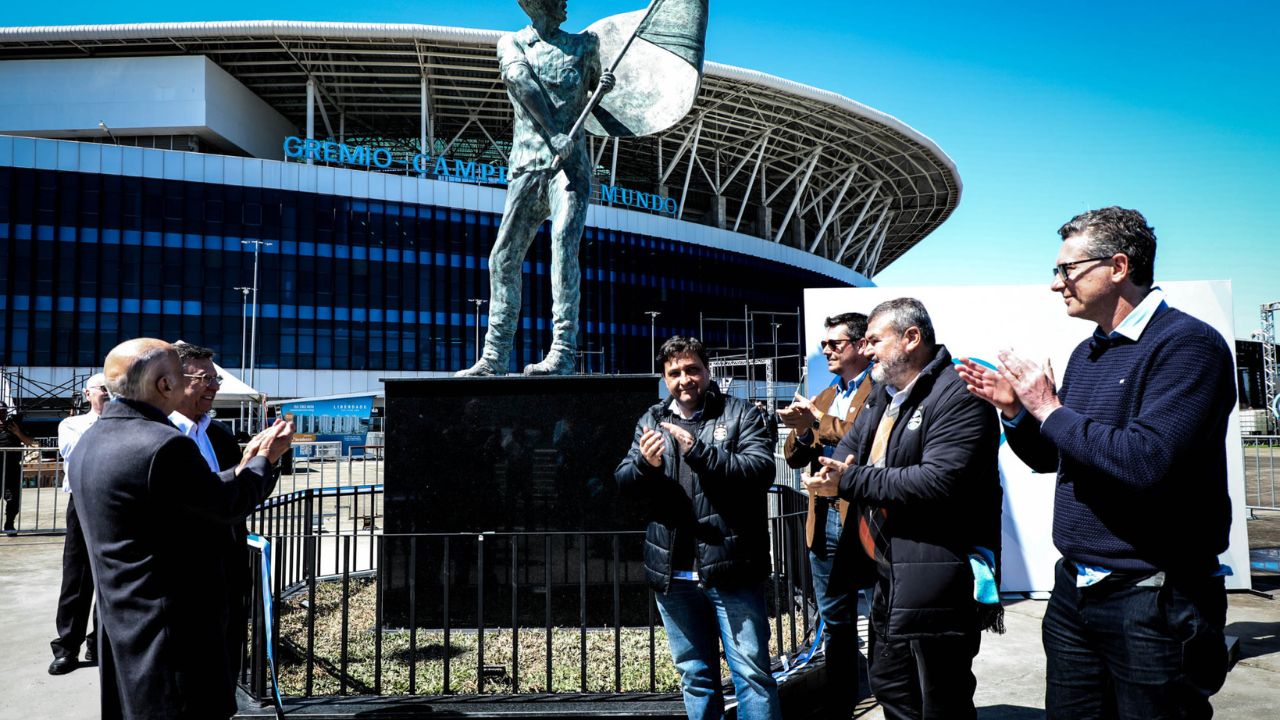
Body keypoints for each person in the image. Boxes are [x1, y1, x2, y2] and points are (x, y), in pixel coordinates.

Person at [955, 207, 1236, 719]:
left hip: (1153, 597)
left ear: (1119, 266)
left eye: (1067, 269)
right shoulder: (1090, 352)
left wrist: (1048, 407)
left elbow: (1144, 461)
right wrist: (1017, 412)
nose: (1056, 284)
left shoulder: (1188, 346)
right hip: (1075, 595)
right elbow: (1053, 457)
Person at [68, 338, 294, 720]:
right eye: (186, 375)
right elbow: (223, 506)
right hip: (172, 637)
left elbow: (187, 499)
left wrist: (241, 468)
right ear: (165, 385)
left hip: (125, 625)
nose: (212, 386)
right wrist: (266, 461)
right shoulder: (163, 446)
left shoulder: (93, 438)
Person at [808, 298, 1003, 720]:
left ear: (911, 338)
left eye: (875, 340)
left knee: (941, 697)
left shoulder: (960, 395)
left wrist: (849, 480)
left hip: (937, 573)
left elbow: (937, 481)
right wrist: (834, 470)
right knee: (891, 686)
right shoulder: (883, 393)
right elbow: (849, 447)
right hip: (887, 572)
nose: (867, 349)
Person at [615, 336, 782, 720]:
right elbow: (623, 479)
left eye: (692, 369)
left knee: (752, 674)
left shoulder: (740, 414)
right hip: (674, 573)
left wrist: (699, 451)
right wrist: (644, 465)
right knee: (694, 675)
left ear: (707, 371)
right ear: (664, 378)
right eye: (674, 373)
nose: (684, 379)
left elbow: (759, 471)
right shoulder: (652, 419)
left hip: (731, 567)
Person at [457, 0, 613, 377]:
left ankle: (562, 351)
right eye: (559, 0)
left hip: (569, 170)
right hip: (528, 164)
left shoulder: (585, 46)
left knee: (563, 243)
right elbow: (520, 82)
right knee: (503, 257)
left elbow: (604, 108)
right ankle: (494, 356)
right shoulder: (512, 43)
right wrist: (555, 131)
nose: (566, 6)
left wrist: (606, 89)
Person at [777, 312, 873, 715]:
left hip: (866, 521)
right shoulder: (825, 395)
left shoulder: (879, 391)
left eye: (836, 343)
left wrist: (816, 421)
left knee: (884, 617)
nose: (828, 350)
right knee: (835, 621)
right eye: (824, 345)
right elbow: (794, 456)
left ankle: (893, 693)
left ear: (860, 345)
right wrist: (801, 432)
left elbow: (858, 435)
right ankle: (841, 704)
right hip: (825, 520)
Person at [168, 341, 251, 682]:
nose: (215, 386)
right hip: (180, 583)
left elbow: (236, 497)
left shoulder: (221, 435)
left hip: (227, 574)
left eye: (216, 379)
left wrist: (264, 464)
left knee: (225, 667)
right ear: (172, 380)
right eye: (205, 378)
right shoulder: (157, 436)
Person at [48, 373, 108, 675]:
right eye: (103, 390)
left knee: (111, 575)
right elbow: (77, 452)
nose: (109, 394)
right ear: (88, 394)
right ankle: (67, 646)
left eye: (114, 389)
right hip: (82, 501)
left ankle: (99, 641)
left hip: (114, 503)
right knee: (76, 575)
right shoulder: (71, 425)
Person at [0, 399, 39, 536]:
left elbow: (30, 442)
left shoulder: (13, 425)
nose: (1, 416)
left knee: (13, 499)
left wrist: (17, 433)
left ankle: (9, 523)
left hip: (11, 468)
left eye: (3, 413)